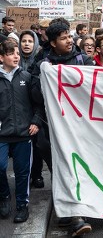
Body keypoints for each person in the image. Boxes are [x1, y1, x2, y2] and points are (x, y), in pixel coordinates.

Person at [30, 22, 94, 236]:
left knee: (79, 166)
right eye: (64, 37)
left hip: (81, 125)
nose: (69, 40)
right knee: (62, 167)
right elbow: (36, 97)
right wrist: (44, 78)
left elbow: (97, 87)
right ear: (52, 42)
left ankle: (78, 212)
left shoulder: (83, 60)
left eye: (69, 36)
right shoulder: (41, 64)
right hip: (53, 127)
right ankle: (71, 213)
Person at [0, 39, 43, 223]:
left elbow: (38, 104)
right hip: (2, 135)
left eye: (17, 53)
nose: (16, 56)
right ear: (1, 58)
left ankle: (22, 206)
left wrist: (35, 121)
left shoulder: (27, 76)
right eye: (11, 54)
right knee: (0, 167)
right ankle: (4, 196)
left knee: (22, 172)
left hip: (24, 134)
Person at [18, 30, 45, 189]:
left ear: (35, 43)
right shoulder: (13, 60)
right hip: (19, 109)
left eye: (30, 41)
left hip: (36, 109)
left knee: (38, 145)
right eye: (23, 41)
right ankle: (25, 175)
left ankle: (37, 175)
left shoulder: (41, 61)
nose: (27, 44)